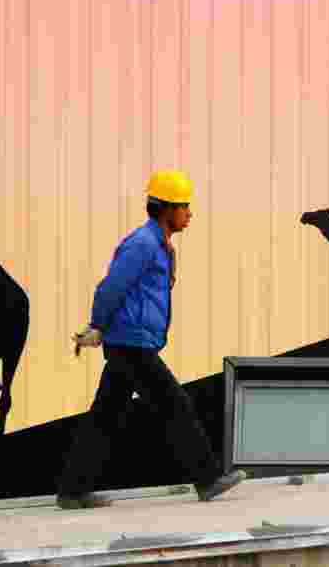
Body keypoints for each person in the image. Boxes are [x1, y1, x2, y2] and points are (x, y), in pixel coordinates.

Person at [56, 169, 248, 510]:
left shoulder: (157, 244)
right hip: (131, 344)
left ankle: (73, 489)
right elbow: (111, 286)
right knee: (176, 405)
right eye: (183, 206)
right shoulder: (143, 244)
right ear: (165, 209)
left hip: (132, 342)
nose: (189, 213)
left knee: (106, 415)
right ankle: (207, 478)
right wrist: (98, 325)